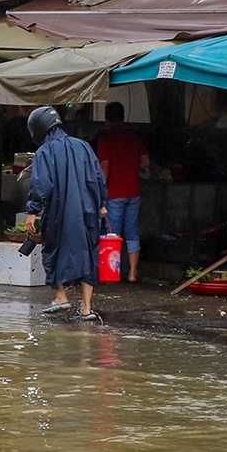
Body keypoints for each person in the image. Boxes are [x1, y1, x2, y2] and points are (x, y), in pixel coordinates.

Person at [25, 105, 107, 321]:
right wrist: (102, 204)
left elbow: (42, 184)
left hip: (59, 212)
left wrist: (33, 212)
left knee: (54, 250)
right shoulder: (84, 147)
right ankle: (87, 308)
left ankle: (61, 297)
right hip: (88, 210)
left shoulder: (44, 152)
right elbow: (98, 177)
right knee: (88, 253)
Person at [95, 102, 149, 283]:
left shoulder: (106, 139)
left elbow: (105, 167)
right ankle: (133, 273)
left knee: (113, 234)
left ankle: (113, 273)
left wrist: (100, 189)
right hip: (133, 192)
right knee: (132, 231)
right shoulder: (134, 138)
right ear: (123, 117)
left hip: (114, 193)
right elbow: (146, 162)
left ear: (107, 119)